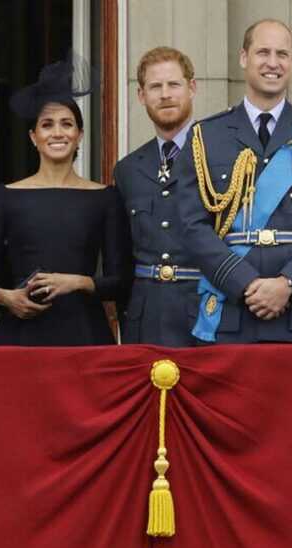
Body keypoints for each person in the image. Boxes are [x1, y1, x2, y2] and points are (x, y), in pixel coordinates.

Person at [174, 19, 292, 344]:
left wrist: (287, 283)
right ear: (244, 57)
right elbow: (192, 226)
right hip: (230, 310)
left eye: (282, 54)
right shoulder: (206, 136)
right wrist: (244, 283)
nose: (273, 63)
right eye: (263, 52)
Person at [0, 59, 131, 346]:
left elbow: (121, 281)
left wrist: (78, 282)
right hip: (20, 337)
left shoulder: (105, 197)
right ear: (34, 137)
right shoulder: (6, 197)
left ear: (79, 135)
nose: (57, 132)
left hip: (84, 336)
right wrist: (7, 297)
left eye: (67, 124)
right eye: (47, 125)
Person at [115, 46, 200, 347]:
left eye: (173, 84)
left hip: (205, 312)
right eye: (155, 86)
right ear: (141, 95)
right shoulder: (128, 170)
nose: (165, 94)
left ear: (192, 88)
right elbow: (122, 257)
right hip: (147, 317)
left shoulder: (219, 156)